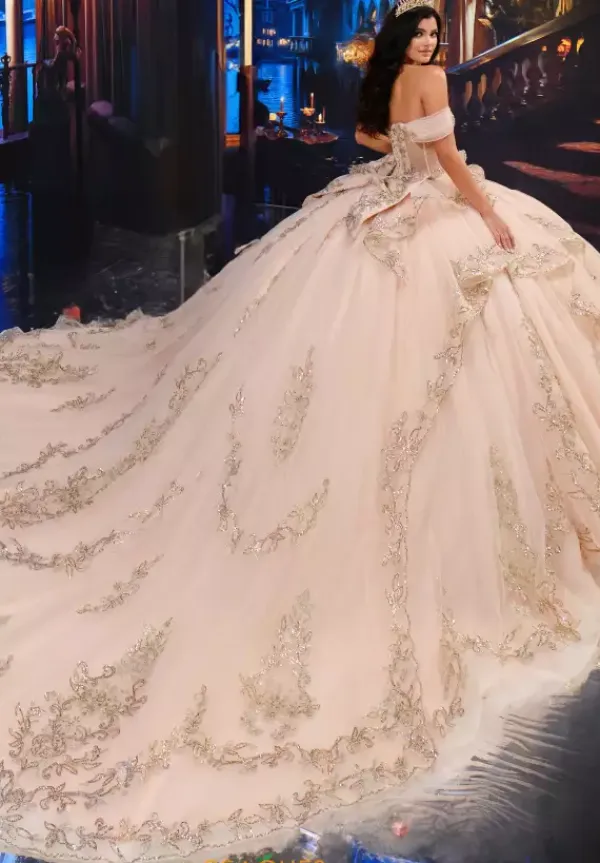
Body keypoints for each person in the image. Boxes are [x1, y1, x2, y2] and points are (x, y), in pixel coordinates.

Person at [1, 2, 600, 861]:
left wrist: (399, 171)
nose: (431, 44)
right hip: (428, 209)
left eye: (434, 35)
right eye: (424, 35)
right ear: (410, 43)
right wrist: (486, 213)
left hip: (379, 204)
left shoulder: (388, 80)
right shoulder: (428, 80)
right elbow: (450, 164)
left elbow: (369, 140)